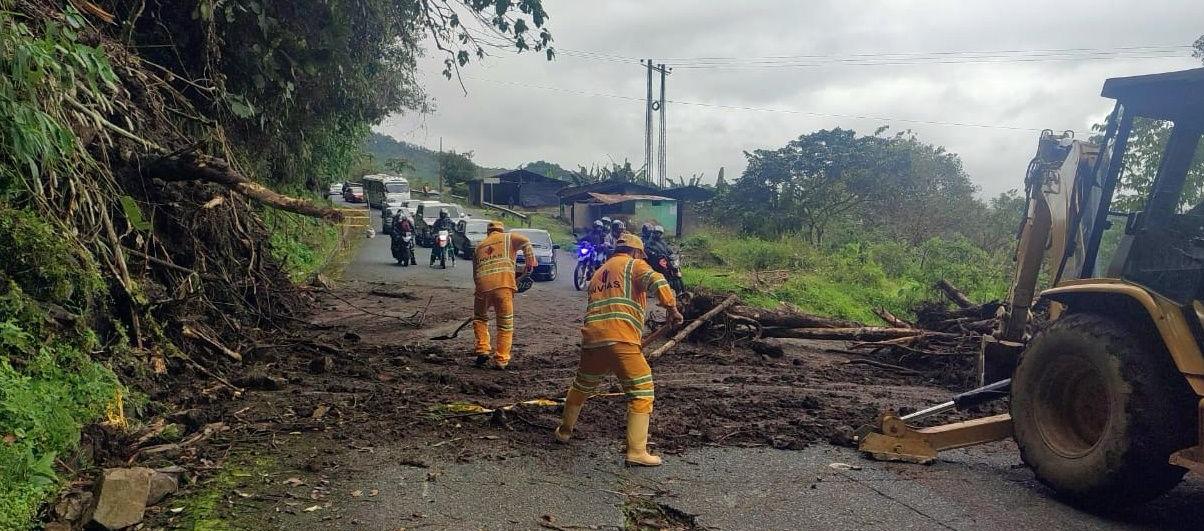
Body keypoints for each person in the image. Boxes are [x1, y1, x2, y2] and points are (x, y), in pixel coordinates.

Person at [554, 234, 683, 466]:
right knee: (642, 392)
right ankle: (636, 452)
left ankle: (564, 431)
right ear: (636, 252)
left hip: (593, 340)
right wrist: (672, 308)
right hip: (621, 340)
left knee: (581, 386)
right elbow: (659, 281)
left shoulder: (597, 273)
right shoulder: (634, 265)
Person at [471, 220, 536, 370]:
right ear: (501, 230)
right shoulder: (508, 238)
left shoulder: (479, 246)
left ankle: (482, 349)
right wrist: (530, 264)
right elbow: (526, 241)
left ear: (488, 232)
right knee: (505, 324)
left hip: (482, 287)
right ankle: (501, 359)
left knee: (480, 318)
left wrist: (480, 290)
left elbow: (475, 273)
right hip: (503, 286)